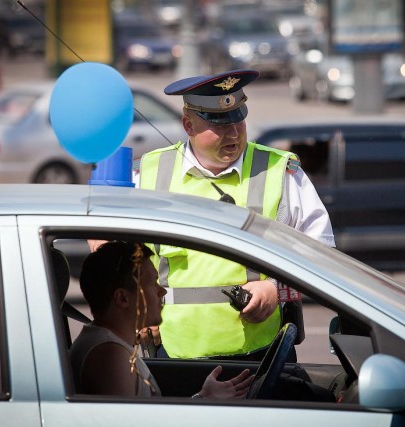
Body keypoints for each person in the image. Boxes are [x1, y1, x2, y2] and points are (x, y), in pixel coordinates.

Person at [132, 69, 335, 361]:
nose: (234, 133)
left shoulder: (281, 172)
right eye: (219, 124)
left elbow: (322, 253)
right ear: (188, 125)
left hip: (262, 356)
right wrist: (141, 307)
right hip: (175, 356)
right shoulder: (148, 174)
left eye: (238, 119)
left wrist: (276, 289)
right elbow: (121, 254)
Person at [70, 241, 253, 398]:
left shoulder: (109, 345)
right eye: (151, 283)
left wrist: (203, 397)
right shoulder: (110, 356)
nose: (162, 291)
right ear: (123, 299)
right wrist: (204, 400)